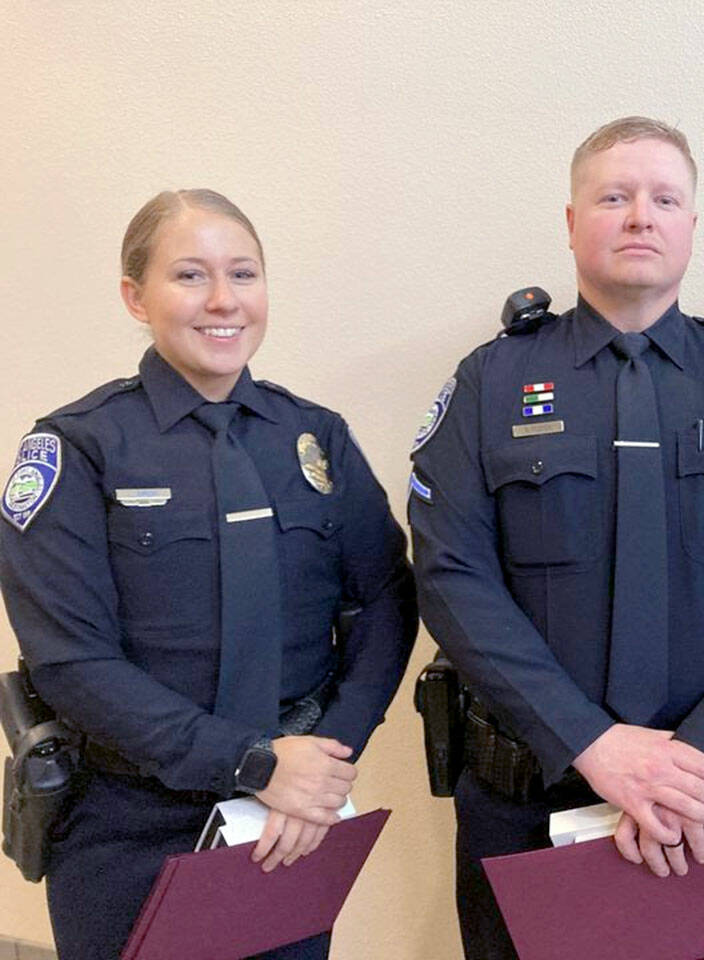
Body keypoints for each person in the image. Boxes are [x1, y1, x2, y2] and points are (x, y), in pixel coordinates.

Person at [410, 117, 704, 958]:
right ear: (572, 223)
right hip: (530, 808)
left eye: (664, 199)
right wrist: (594, 744)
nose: (640, 216)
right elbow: (451, 578)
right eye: (613, 196)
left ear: (691, 226)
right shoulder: (490, 383)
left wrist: (700, 760)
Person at [0, 189, 418, 960]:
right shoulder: (78, 448)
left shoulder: (314, 437)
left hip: (289, 821)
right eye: (190, 276)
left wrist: (325, 763)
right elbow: (70, 660)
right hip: (131, 823)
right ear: (136, 296)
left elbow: (387, 600)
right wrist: (250, 764)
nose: (224, 300)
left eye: (244, 274)